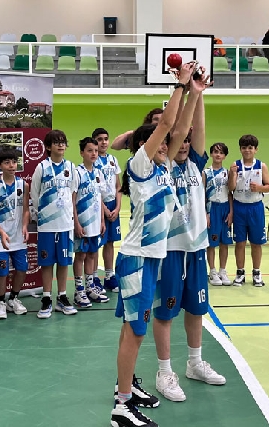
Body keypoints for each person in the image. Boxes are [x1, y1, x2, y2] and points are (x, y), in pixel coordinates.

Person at [110, 63, 194, 427]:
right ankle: (122, 407)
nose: (167, 144)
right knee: (136, 331)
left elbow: (180, 129)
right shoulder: (141, 167)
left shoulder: (164, 168)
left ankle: (123, 390)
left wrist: (194, 93)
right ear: (146, 146)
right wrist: (178, 85)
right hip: (136, 261)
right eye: (159, 142)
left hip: (150, 261)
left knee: (131, 330)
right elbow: (164, 127)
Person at [152, 77, 226, 404]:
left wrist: (200, 94)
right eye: (177, 142)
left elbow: (195, 128)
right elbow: (179, 127)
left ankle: (195, 363)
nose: (184, 144)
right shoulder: (161, 166)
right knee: (165, 312)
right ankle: (164, 371)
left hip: (196, 250)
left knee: (197, 309)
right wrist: (186, 93)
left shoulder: (197, 163)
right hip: (168, 250)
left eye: (187, 142)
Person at [30, 130, 78, 319]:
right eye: (56, 142)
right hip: (47, 225)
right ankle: (47, 298)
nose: (60, 145)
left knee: (64, 261)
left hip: (66, 224)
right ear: (48, 147)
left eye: (63, 142)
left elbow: (72, 192)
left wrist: (70, 216)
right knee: (47, 262)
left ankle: (63, 297)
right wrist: (42, 214)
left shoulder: (71, 167)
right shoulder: (41, 167)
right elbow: (34, 194)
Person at [0, 148, 30, 319]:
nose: (12, 165)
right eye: (7, 162)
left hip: (18, 234)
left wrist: (25, 226)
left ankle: (14, 298)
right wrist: (1, 232)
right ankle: (0, 302)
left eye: (14, 162)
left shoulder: (23, 185)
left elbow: (26, 210)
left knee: (22, 268)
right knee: (2, 270)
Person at [228, 135, 269, 287]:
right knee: (239, 242)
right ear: (240, 149)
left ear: (256, 149)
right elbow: (231, 188)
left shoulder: (262, 166)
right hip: (240, 206)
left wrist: (259, 188)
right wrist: (233, 174)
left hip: (255, 207)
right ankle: (240, 272)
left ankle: (257, 272)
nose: (247, 150)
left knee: (256, 243)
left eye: (250, 148)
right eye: (244, 147)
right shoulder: (235, 165)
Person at [72, 137, 108, 308]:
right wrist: (76, 223)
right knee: (80, 255)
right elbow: (72, 200)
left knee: (93, 255)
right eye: (89, 150)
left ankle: (90, 287)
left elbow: (99, 198)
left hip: (95, 224)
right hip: (82, 224)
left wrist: (102, 220)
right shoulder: (77, 173)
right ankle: (79, 291)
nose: (93, 153)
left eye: (95, 150)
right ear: (81, 153)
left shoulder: (98, 173)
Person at [93, 127, 122, 293]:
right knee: (98, 242)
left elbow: (118, 186)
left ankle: (110, 276)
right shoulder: (93, 161)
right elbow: (95, 189)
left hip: (113, 205)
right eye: (99, 139)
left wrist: (117, 207)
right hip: (98, 206)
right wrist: (103, 208)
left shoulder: (113, 159)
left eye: (105, 138)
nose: (103, 142)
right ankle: (95, 277)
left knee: (110, 241)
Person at [205, 143, 233, 285]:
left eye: (221, 153)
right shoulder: (206, 173)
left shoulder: (227, 173)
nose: (218, 155)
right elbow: (202, 195)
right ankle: (212, 271)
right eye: (215, 152)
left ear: (225, 156)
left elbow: (229, 194)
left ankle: (223, 270)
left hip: (224, 209)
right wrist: (206, 213)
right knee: (211, 243)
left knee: (224, 242)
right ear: (211, 154)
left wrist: (231, 212)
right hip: (212, 208)